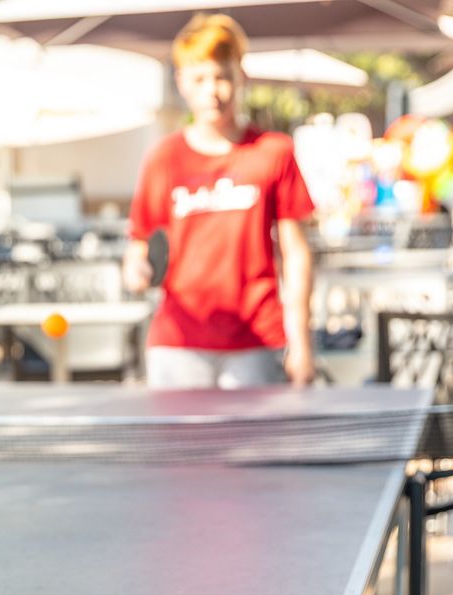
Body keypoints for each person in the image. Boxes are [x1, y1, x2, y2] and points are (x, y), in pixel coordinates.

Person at [124, 14, 317, 389]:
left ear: (240, 76)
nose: (212, 91)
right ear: (181, 82)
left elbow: (296, 254)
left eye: (222, 77)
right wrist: (136, 270)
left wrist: (302, 343)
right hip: (178, 343)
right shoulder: (164, 158)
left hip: (256, 341)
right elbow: (139, 244)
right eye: (199, 78)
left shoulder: (274, 151)